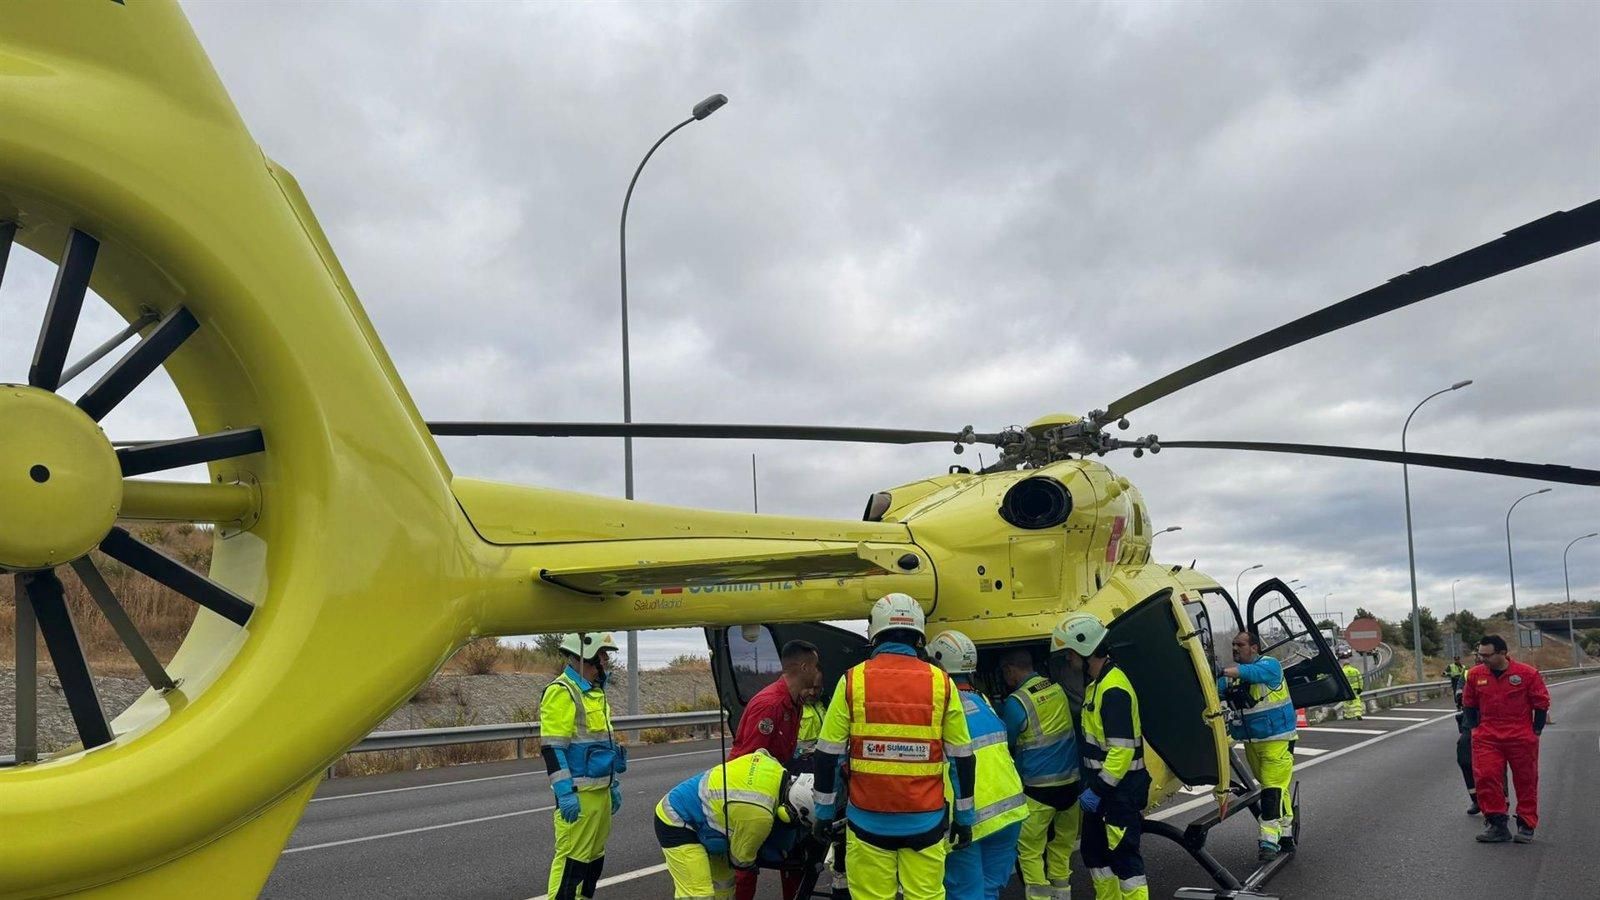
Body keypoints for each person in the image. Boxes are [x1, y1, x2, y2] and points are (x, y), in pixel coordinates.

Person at [813, 593, 976, 900]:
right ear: (918, 636)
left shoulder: (852, 681)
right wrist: (965, 819)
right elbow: (962, 759)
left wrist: (823, 812)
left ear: (874, 633)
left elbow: (827, 756)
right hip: (925, 822)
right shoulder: (942, 683)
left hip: (867, 822)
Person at [1054, 611, 1149, 900]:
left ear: (1085, 650)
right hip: (1103, 791)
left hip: (1117, 792)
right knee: (1095, 856)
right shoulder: (1098, 684)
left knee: (1125, 862)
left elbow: (1121, 750)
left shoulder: (1114, 689)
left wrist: (1098, 789)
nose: (1068, 660)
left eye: (1071, 653)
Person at [929, 630, 1029, 900]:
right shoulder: (982, 700)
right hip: (1009, 812)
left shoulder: (938, 708)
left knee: (965, 893)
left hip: (968, 818)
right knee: (988, 890)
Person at [730, 640, 822, 900]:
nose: (817, 673)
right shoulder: (769, 705)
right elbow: (750, 760)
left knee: (794, 854)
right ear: (804, 667)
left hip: (776, 786)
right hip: (751, 792)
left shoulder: (794, 704)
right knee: (745, 864)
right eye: (815, 666)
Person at [655, 748, 810, 899]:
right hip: (677, 820)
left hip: (707, 817)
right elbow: (741, 860)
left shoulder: (775, 768)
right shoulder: (759, 816)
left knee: (724, 885)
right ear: (788, 813)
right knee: (698, 894)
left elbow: (761, 751)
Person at [541, 633, 627, 900]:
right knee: (571, 862)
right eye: (602, 655)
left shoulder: (594, 693)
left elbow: (603, 744)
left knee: (592, 861)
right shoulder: (563, 691)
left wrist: (612, 785)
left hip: (599, 792)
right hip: (578, 795)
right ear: (585, 656)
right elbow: (553, 748)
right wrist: (565, 793)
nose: (605, 661)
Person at [998, 647, 1081, 900]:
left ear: (1010, 670)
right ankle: (1062, 895)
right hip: (1071, 785)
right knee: (1061, 849)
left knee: (1030, 852)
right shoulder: (1056, 689)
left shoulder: (1017, 702)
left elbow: (1006, 742)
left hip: (1038, 790)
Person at [1216, 630, 1297, 862]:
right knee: (1276, 788)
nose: (1235, 648)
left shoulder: (1270, 665)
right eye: (1232, 644)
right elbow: (1215, 690)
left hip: (1278, 739)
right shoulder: (1234, 675)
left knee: (1272, 788)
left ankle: (1268, 842)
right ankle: (1286, 836)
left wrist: (1222, 670)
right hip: (1253, 742)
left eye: (1240, 644)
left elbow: (1253, 672)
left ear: (1254, 647)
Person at [1462, 634, 1550, 844]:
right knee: (1486, 777)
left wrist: (1535, 731)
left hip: (1520, 737)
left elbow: (1541, 703)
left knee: (1526, 780)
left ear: (1502, 653)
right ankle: (1497, 823)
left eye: (1487, 655)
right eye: (1480, 655)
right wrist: (1475, 728)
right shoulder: (1475, 675)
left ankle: (1526, 824)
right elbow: (1469, 703)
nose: (1482, 659)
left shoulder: (1526, 674)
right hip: (1488, 736)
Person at [1453, 689, 1479, 816]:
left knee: (1495, 767)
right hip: (1470, 723)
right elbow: (1459, 689)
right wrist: (1460, 696)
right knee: (1464, 759)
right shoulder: (1470, 672)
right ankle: (1476, 799)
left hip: (1493, 723)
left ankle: (1501, 804)